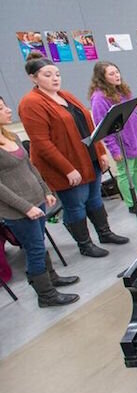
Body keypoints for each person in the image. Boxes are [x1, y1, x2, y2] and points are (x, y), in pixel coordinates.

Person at [19, 51, 129, 258]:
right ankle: (85, 244)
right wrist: (67, 169)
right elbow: (41, 143)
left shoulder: (65, 96)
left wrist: (100, 152)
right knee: (75, 205)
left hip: (89, 159)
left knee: (95, 199)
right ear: (33, 78)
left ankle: (104, 233)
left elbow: (89, 126)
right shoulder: (31, 103)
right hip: (66, 165)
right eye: (47, 75)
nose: (55, 78)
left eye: (57, 74)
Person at [0, 96, 79, 307]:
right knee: (34, 248)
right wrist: (26, 208)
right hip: (19, 210)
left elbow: (30, 166)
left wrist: (45, 190)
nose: (8, 110)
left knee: (38, 243)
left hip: (37, 200)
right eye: (1, 108)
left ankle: (51, 277)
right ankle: (46, 295)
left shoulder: (12, 137)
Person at [89, 61, 137, 216]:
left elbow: (135, 113)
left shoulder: (122, 90)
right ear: (102, 77)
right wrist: (114, 149)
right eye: (111, 74)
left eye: (117, 72)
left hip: (135, 137)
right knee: (125, 172)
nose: (117, 76)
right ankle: (131, 202)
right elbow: (104, 127)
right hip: (123, 142)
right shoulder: (99, 98)